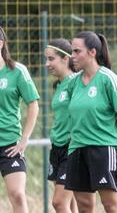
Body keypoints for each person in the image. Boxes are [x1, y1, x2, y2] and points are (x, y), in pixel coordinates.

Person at [65, 31, 117, 213]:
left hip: (104, 148)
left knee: (110, 205)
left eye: (77, 51)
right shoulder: (73, 83)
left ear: (92, 52)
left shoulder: (109, 79)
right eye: (72, 51)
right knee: (84, 206)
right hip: (77, 148)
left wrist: (114, 140)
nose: (73, 56)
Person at [0, 26, 39, 213]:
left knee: (17, 195)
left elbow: (33, 104)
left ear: (1, 44)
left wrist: (24, 139)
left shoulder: (17, 71)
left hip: (9, 144)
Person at [45, 39, 79, 213]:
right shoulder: (58, 85)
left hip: (71, 148)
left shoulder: (76, 83)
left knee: (58, 203)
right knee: (70, 203)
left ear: (65, 59)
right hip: (57, 147)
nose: (47, 64)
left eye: (51, 59)